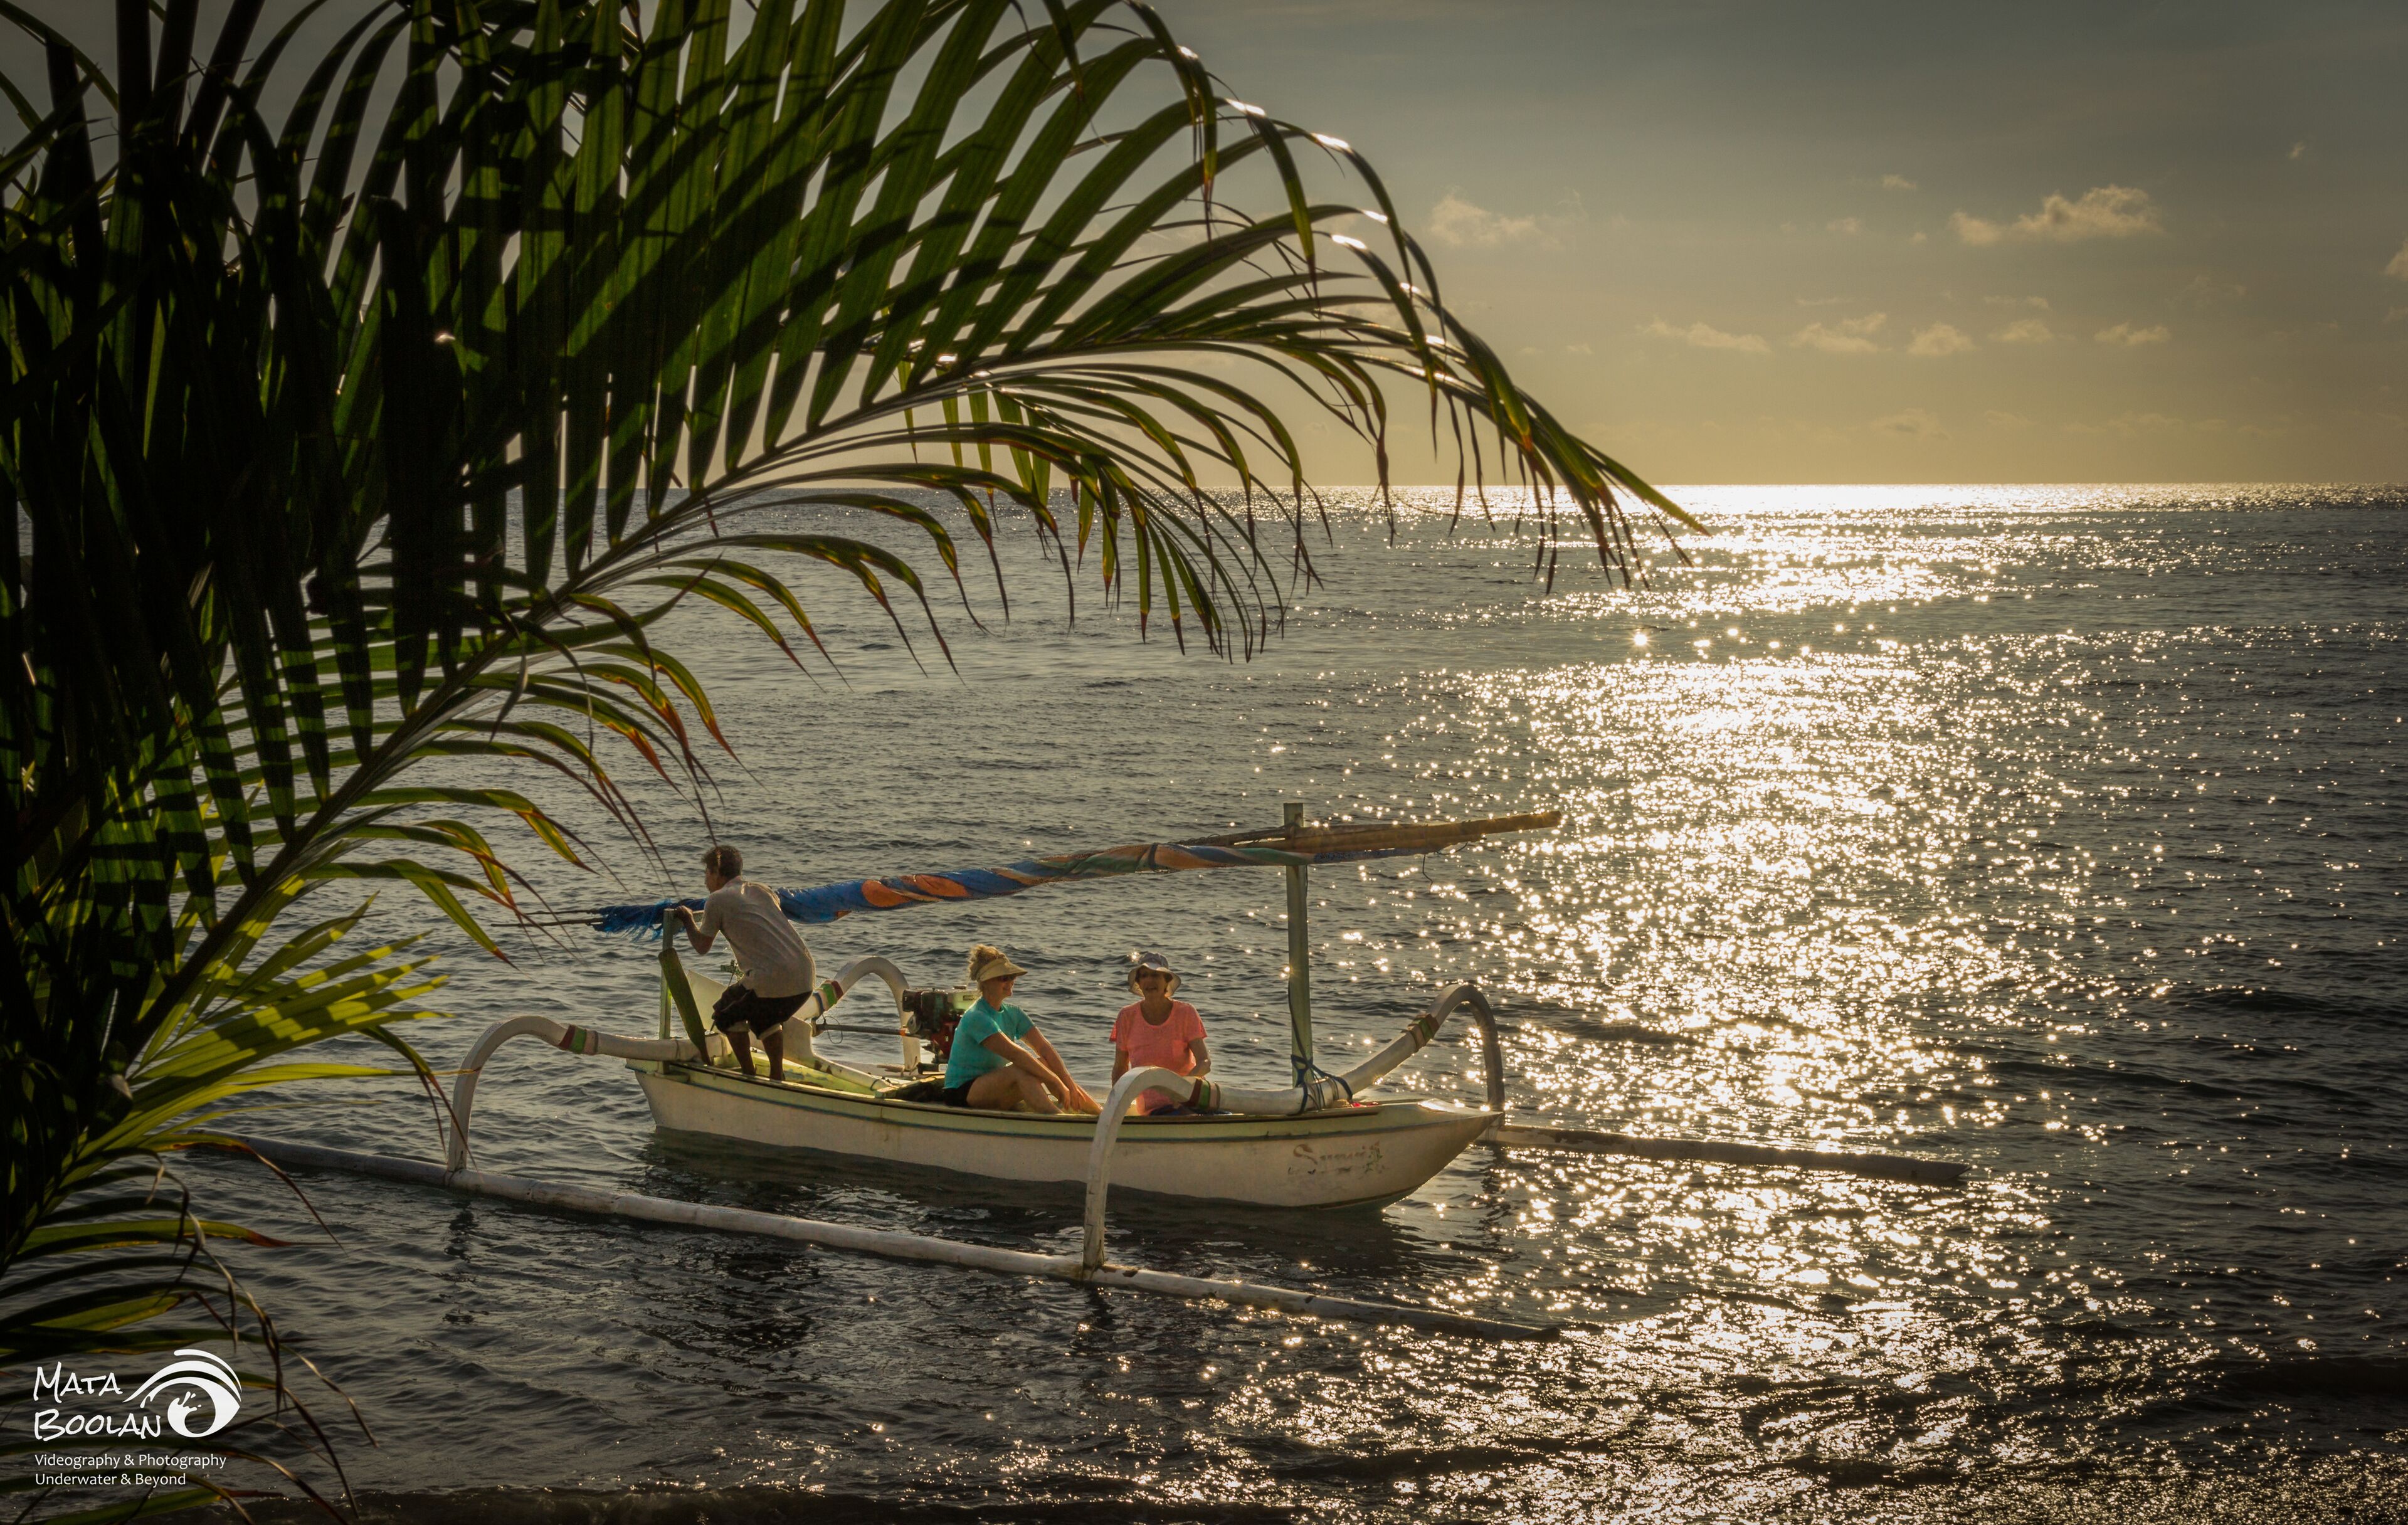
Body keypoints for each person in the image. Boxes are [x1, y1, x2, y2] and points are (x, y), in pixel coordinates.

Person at [668, 843, 815, 1084]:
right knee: (763, 1017)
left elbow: (702, 947)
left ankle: (748, 1074)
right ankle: (777, 1076)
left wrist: (686, 920)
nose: (705, 880)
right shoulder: (763, 890)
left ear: (716, 873)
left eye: (707, 873)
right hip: (805, 977)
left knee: (725, 1015)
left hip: (771, 978)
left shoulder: (716, 900)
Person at [943, 946, 1100, 1114]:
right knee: (1022, 1069)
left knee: (1044, 1064)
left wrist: (1067, 1084)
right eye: (1004, 978)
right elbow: (1016, 1055)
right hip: (963, 1092)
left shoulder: (1014, 1013)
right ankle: (1057, 1119)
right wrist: (1056, 1082)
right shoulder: (977, 1017)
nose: (1010, 982)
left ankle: (1099, 1114)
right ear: (986, 982)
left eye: (1012, 977)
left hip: (995, 1087)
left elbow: (1045, 1049)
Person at [1110, 950, 1211, 1114]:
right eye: (1144, 976)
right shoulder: (1127, 1016)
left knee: (1223, 1115)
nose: (1150, 981)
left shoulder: (1186, 1012)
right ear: (1139, 983)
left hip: (1191, 1099)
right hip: (1155, 1108)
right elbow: (1120, 1068)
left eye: (1156, 975)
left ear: (1167, 981)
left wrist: (1182, 1092)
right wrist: (1115, 1106)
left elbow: (1205, 1063)